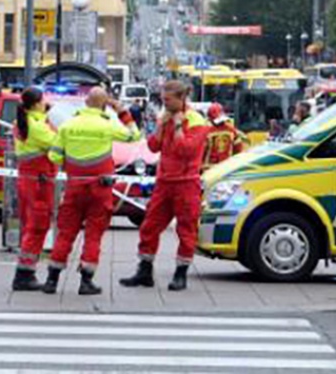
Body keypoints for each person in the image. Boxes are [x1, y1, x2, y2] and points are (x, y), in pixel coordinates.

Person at [42, 87, 141, 296]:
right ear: (104, 105)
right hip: (100, 188)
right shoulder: (107, 125)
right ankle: (86, 281)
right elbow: (134, 136)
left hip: (74, 186)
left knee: (66, 233)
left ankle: (52, 280)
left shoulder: (68, 125)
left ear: (85, 103)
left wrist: (72, 162)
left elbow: (54, 156)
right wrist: (123, 112)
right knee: (94, 234)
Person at [120, 81, 210, 291]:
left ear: (181, 99)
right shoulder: (166, 116)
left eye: (167, 100)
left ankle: (181, 274)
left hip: (186, 183)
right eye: (163, 99)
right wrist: (161, 127)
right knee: (149, 226)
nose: (164, 103)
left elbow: (185, 150)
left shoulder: (196, 121)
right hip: (164, 182)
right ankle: (144, 270)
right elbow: (152, 147)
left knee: (186, 230)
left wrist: (178, 126)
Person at [11, 87, 58, 291]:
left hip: (30, 179)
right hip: (39, 181)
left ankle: (26, 270)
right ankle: (24, 273)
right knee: (38, 225)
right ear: (36, 103)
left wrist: (45, 116)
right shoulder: (36, 126)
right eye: (43, 100)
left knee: (32, 223)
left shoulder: (25, 122)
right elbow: (57, 143)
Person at [203, 102, 248, 170]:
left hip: (209, 170)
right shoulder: (231, 130)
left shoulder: (206, 131)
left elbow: (200, 152)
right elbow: (239, 149)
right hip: (226, 168)